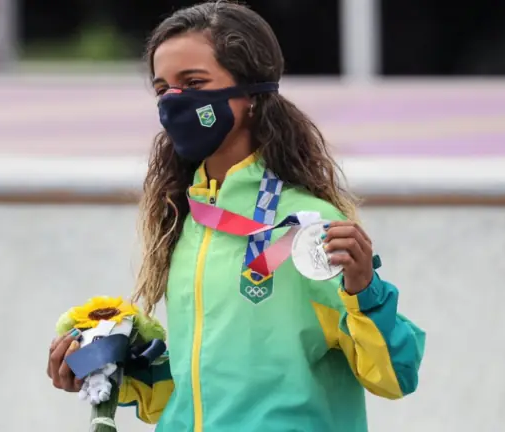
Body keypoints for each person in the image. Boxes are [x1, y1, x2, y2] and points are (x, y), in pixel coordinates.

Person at [47, 2, 426, 431]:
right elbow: (203, 391)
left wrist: (365, 290)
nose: (174, 102)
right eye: (162, 89)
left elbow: (395, 375)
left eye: (193, 82)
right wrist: (109, 371)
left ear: (250, 95)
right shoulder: (186, 221)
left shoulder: (307, 224)